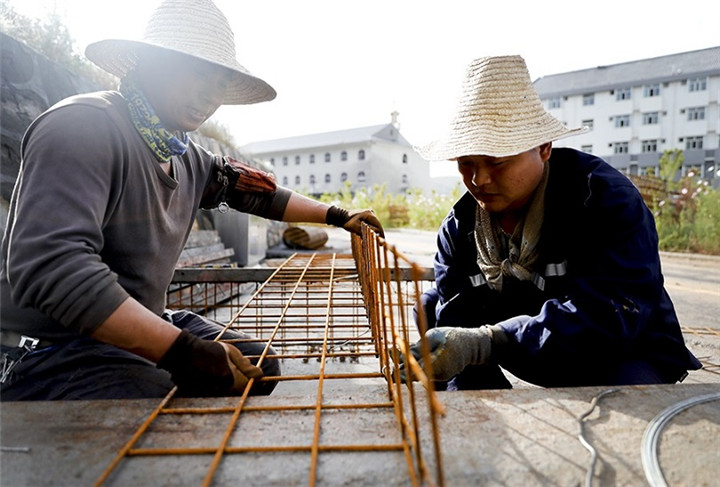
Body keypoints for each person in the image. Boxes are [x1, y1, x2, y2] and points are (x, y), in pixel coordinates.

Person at [0, 0, 383, 401]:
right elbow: (52, 267)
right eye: (196, 73)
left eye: (220, 83)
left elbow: (255, 195)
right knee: (168, 400)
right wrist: (182, 352)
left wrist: (339, 216)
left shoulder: (185, 153)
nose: (210, 96)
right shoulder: (83, 126)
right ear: (149, 63)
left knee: (259, 367)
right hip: (46, 347)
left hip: (143, 320)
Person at [404, 55, 701, 390]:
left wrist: (490, 341)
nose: (479, 179)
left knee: (623, 405)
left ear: (544, 148)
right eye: (466, 163)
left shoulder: (602, 199)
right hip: (528, 341)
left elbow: (610, 314)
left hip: (619, 346)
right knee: (433, 310)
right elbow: (456, 322)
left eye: (496, 162)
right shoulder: (460, 227)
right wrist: (460, 392)